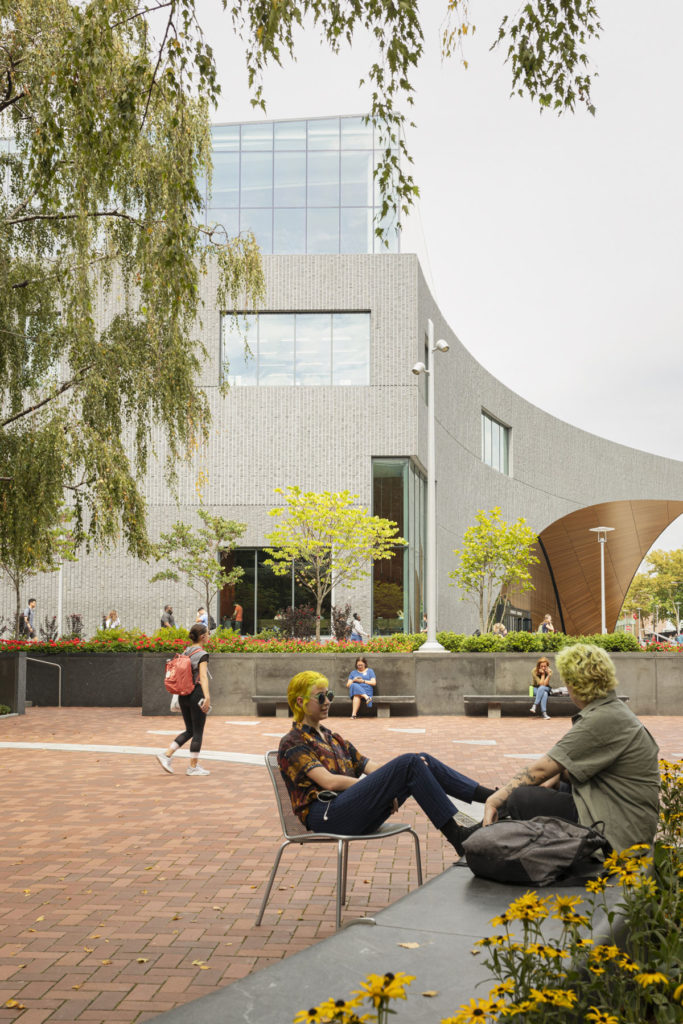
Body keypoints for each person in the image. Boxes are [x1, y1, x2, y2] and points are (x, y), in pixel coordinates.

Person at [278, 671, 495, 856]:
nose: (327, 702)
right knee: (409, 762)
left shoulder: (334, 738)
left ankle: (495, 798)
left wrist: (385, 786)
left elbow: (372, 767)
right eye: (321, 697)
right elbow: (329, 782)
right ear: (300, 702)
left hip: (354, 810)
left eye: (330, 695)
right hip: (328, 817)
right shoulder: (293, 742)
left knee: (421, 761)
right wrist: (379, 786)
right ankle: (458, 837)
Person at [482, 644, 660, 852]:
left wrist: (494, 799)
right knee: (559, 781)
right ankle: (482, 830)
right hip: (626, 821)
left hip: (616, 836)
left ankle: (556, 856)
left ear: (578, 685)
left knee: (521, 798)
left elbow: (540, 770)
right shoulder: (613, 711)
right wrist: (559, 776)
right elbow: (577, 765)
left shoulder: (602, 719)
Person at [156, 622, 212, 777]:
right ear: (202, 637)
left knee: (190, 730)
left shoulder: (186, 652)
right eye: (208, 633)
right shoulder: (202, 654)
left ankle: (166, 755)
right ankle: (192, 767)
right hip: (196, 694)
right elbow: (203, 677)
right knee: (198, 732)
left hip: (183, 695)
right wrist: (207, 696)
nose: (209, 636)